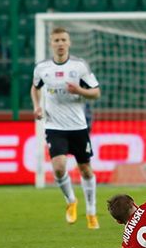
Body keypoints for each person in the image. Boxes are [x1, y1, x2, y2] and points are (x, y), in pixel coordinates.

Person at [31, 27, 101, 229]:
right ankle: (71, 200)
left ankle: (91, 212)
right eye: (56, 40)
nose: (60, 43)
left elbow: (95, 93)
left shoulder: (79, 66)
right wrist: (37, 106)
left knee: (86, 170)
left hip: (78, 126)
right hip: (54, 126)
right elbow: (35, 88)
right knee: (59, 167)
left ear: (69, 43)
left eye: (63, 40)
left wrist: (79, 90)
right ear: (51, 43)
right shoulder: (42, 68)